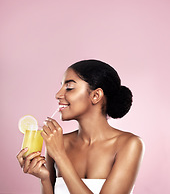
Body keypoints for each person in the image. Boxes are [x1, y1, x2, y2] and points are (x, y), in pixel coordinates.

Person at [17, 59, 144, 194]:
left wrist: (60, 156)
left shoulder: (129, 144)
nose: (58, 95)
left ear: (95, 95)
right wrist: (44, 179)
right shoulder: (59, 143)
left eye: (69, 87)